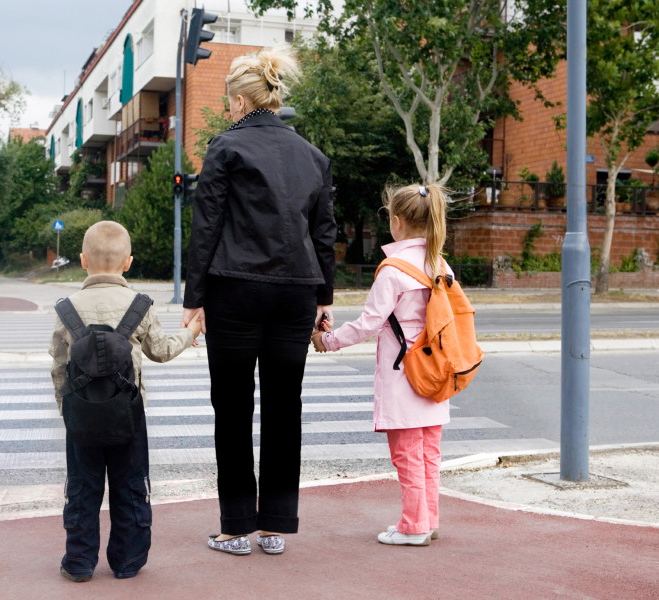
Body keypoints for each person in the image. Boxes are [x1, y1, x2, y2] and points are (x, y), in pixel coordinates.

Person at [181, 46, 336, 556]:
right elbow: (323, 234)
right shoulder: (313, 157)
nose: (228, 110)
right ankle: (274, 526)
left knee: (231, 407)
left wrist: (194, 298)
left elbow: (207, 228)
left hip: (235, 289)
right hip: (296, 294)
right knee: (283, 407)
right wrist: (324, 297)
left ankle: (235, 528)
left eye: (229, 101)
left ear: (243, 100)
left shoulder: (225, 148)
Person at [50, 221, 201, 581]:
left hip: (82, 421)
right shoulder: (140, 305)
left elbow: (58, 366)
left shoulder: (66, 308)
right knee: (130, 485)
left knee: (83, 488)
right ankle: (127, 561)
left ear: (83, 260)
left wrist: (67, 412)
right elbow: (161, 351)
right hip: (129, 417)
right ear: (128, 262)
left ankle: (80, 562)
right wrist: (192, 331)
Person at [312, 183, 451, 547]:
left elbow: (369, 323)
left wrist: (327, 340)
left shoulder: (393, 270)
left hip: (404, 372)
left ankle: (412, 526)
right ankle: (428, 520)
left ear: (397, 221)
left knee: (406, 453)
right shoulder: (440, 262)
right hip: (436, 370)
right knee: (429, 453)